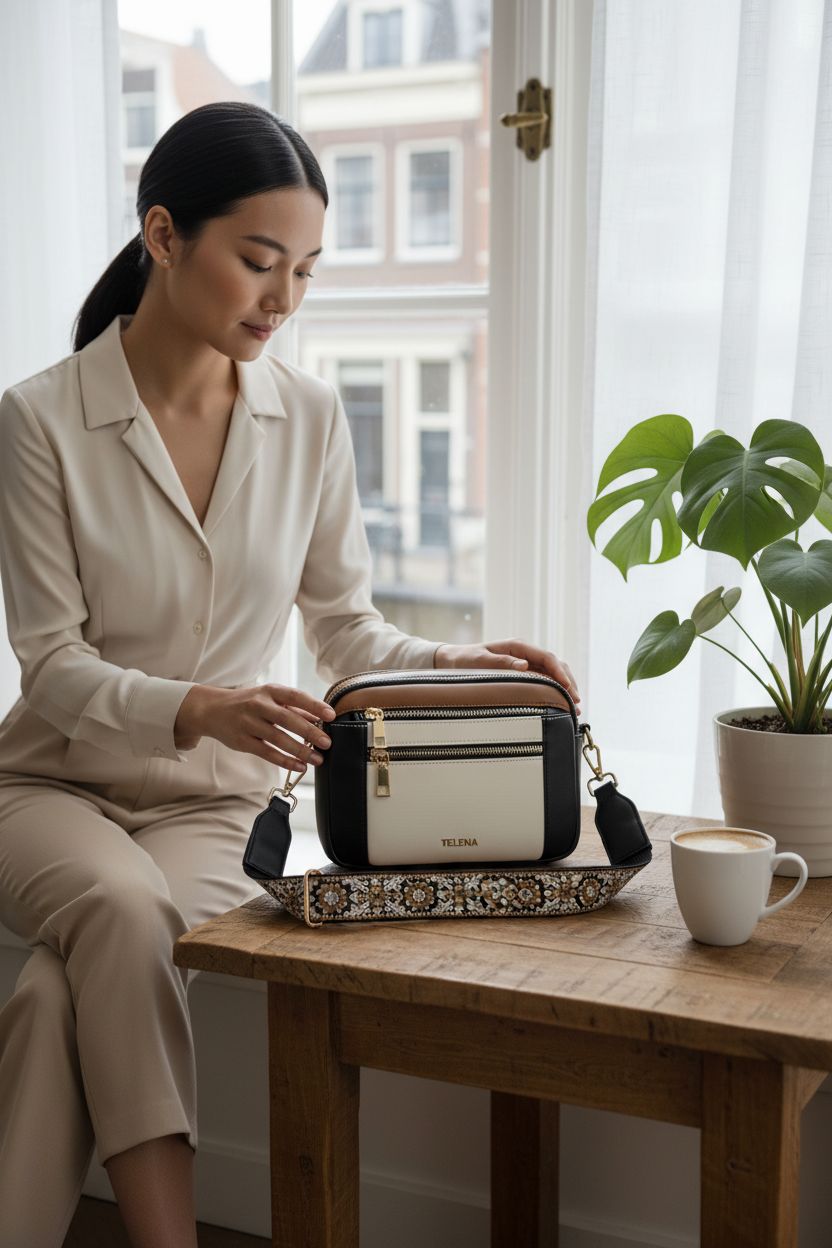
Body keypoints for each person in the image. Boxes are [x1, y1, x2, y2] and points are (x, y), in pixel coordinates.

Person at [0, 100, 580, 1248]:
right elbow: (52, 668)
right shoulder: (39, 421)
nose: (283, 300)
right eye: (258, 261)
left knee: (55, 993)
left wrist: (452, 663)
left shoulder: (309, 418)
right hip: (47, 791)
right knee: (116, 909)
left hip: (214, 808)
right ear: (163, 236)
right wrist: (201, 704)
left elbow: (346, 631)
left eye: (306, 271)